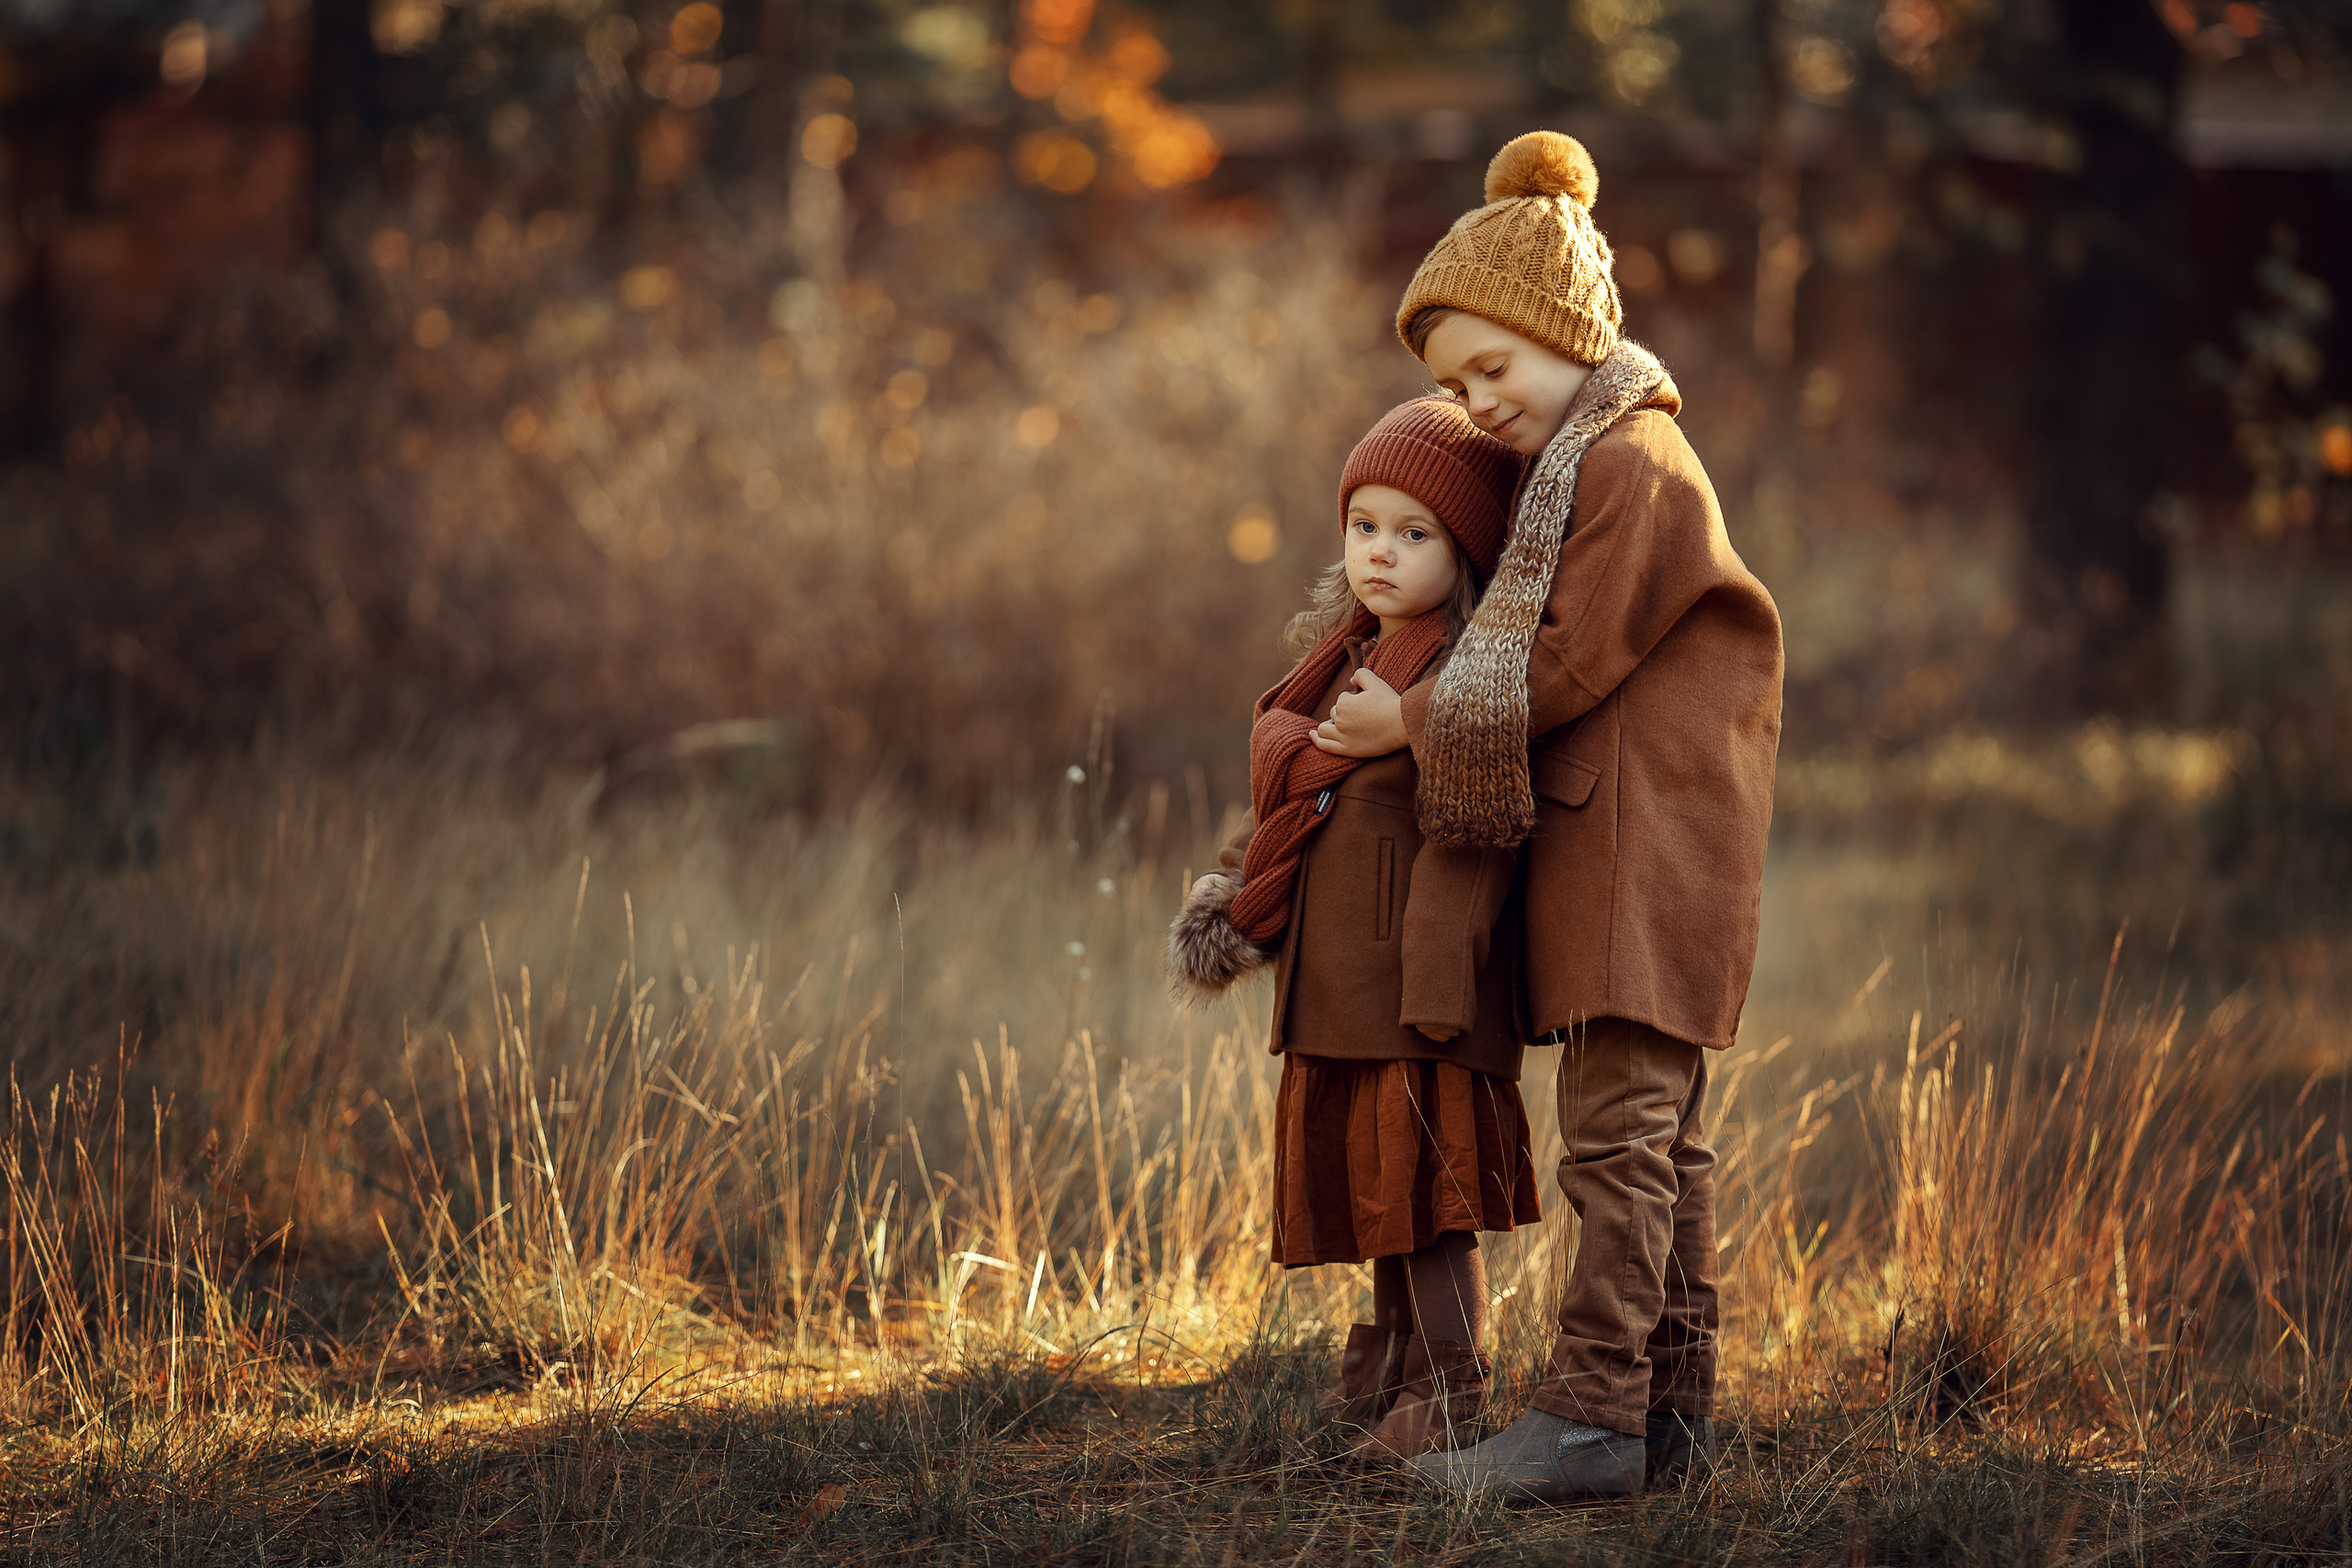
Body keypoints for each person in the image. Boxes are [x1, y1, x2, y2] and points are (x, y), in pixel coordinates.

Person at [1311, 130, 1785, 1503]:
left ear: (1562, 334)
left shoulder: (1633, 463)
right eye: (1450, 382)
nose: (1473, 401)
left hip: (1651, 847)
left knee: (1619, 1133)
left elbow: (1562, 659)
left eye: (1489, 369)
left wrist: (1408, 718)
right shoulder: (1581, 465)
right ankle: (1669, 1408)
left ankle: (1588, 1413)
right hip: (1623, 838)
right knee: (1660, 1133)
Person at [1167, 396, 1542, 1461]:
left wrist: (1438, 984)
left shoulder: (1461, 681)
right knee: (1383, 1191)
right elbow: (1296, 811)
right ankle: (1387, 1368)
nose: (1382, 551)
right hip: (1342, 989)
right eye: (1364, 525)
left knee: (1429, 1200)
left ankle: (1452, 1389)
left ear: (1464, 549)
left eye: (1415, 533)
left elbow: (1477, 839)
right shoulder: (1336, 663)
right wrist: (1237, 899)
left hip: (1417, 989)